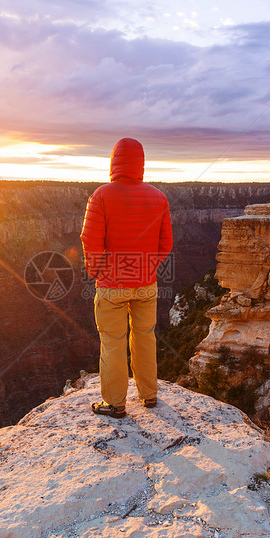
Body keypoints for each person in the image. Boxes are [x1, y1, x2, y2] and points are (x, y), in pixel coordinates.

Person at [80, 137, 173, 418]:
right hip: (147, 284)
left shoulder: (101, 196)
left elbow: (90, 240)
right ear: (140, 164)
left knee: (113, 342)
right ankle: (149, 396)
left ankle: (115, 403)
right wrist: (147, 267)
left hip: (112, 285)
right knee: (145, 337)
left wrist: (97, 271)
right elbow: (165, 243)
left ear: (114, 162)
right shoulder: (159, 197)